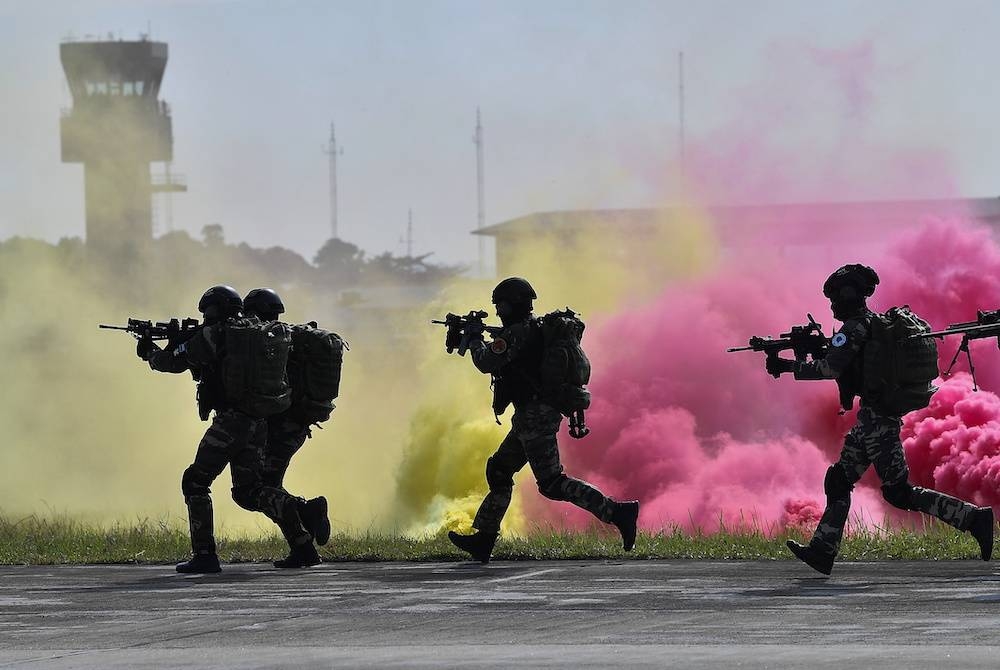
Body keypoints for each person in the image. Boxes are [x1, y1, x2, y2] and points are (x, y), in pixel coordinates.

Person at [767, 264, 993, 575]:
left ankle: (973, 518)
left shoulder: (853, 329)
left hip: (878, 422)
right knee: (840, 479)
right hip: (873, 419)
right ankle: (823, 549)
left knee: (897, 492)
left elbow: (831, 369)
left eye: (835, 297)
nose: (832, 305)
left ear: (848, 296)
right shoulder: (871, 325)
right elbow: (846, 363)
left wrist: (789, 366)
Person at [447, 277, 640, 563]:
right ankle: (484, 539)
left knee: (550, 482)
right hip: (532, 415)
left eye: (500, 305)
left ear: (511, 304)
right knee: (499, 470)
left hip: (534, 416)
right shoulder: (531, 330)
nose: (498, 311)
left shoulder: (517, 334)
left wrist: (475, 340)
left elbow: (486, 362)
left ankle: (617, 512)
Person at [139, 285, 328, 572]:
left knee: (195, 481)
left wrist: (150, 353)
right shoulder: (252, 334)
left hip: (231, 422)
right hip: (258, 423)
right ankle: (303, 546)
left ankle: (205, 555)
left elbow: (174, 361)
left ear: (212, 310)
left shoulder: (215, 334)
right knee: (250, 491)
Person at [243, 287, 340, 567]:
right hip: (296, 425)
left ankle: (306, 517)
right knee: (268, 486)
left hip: (279, 427)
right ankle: (303, 537)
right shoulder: (289, 337)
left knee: (252, 491)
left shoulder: (264, 343)